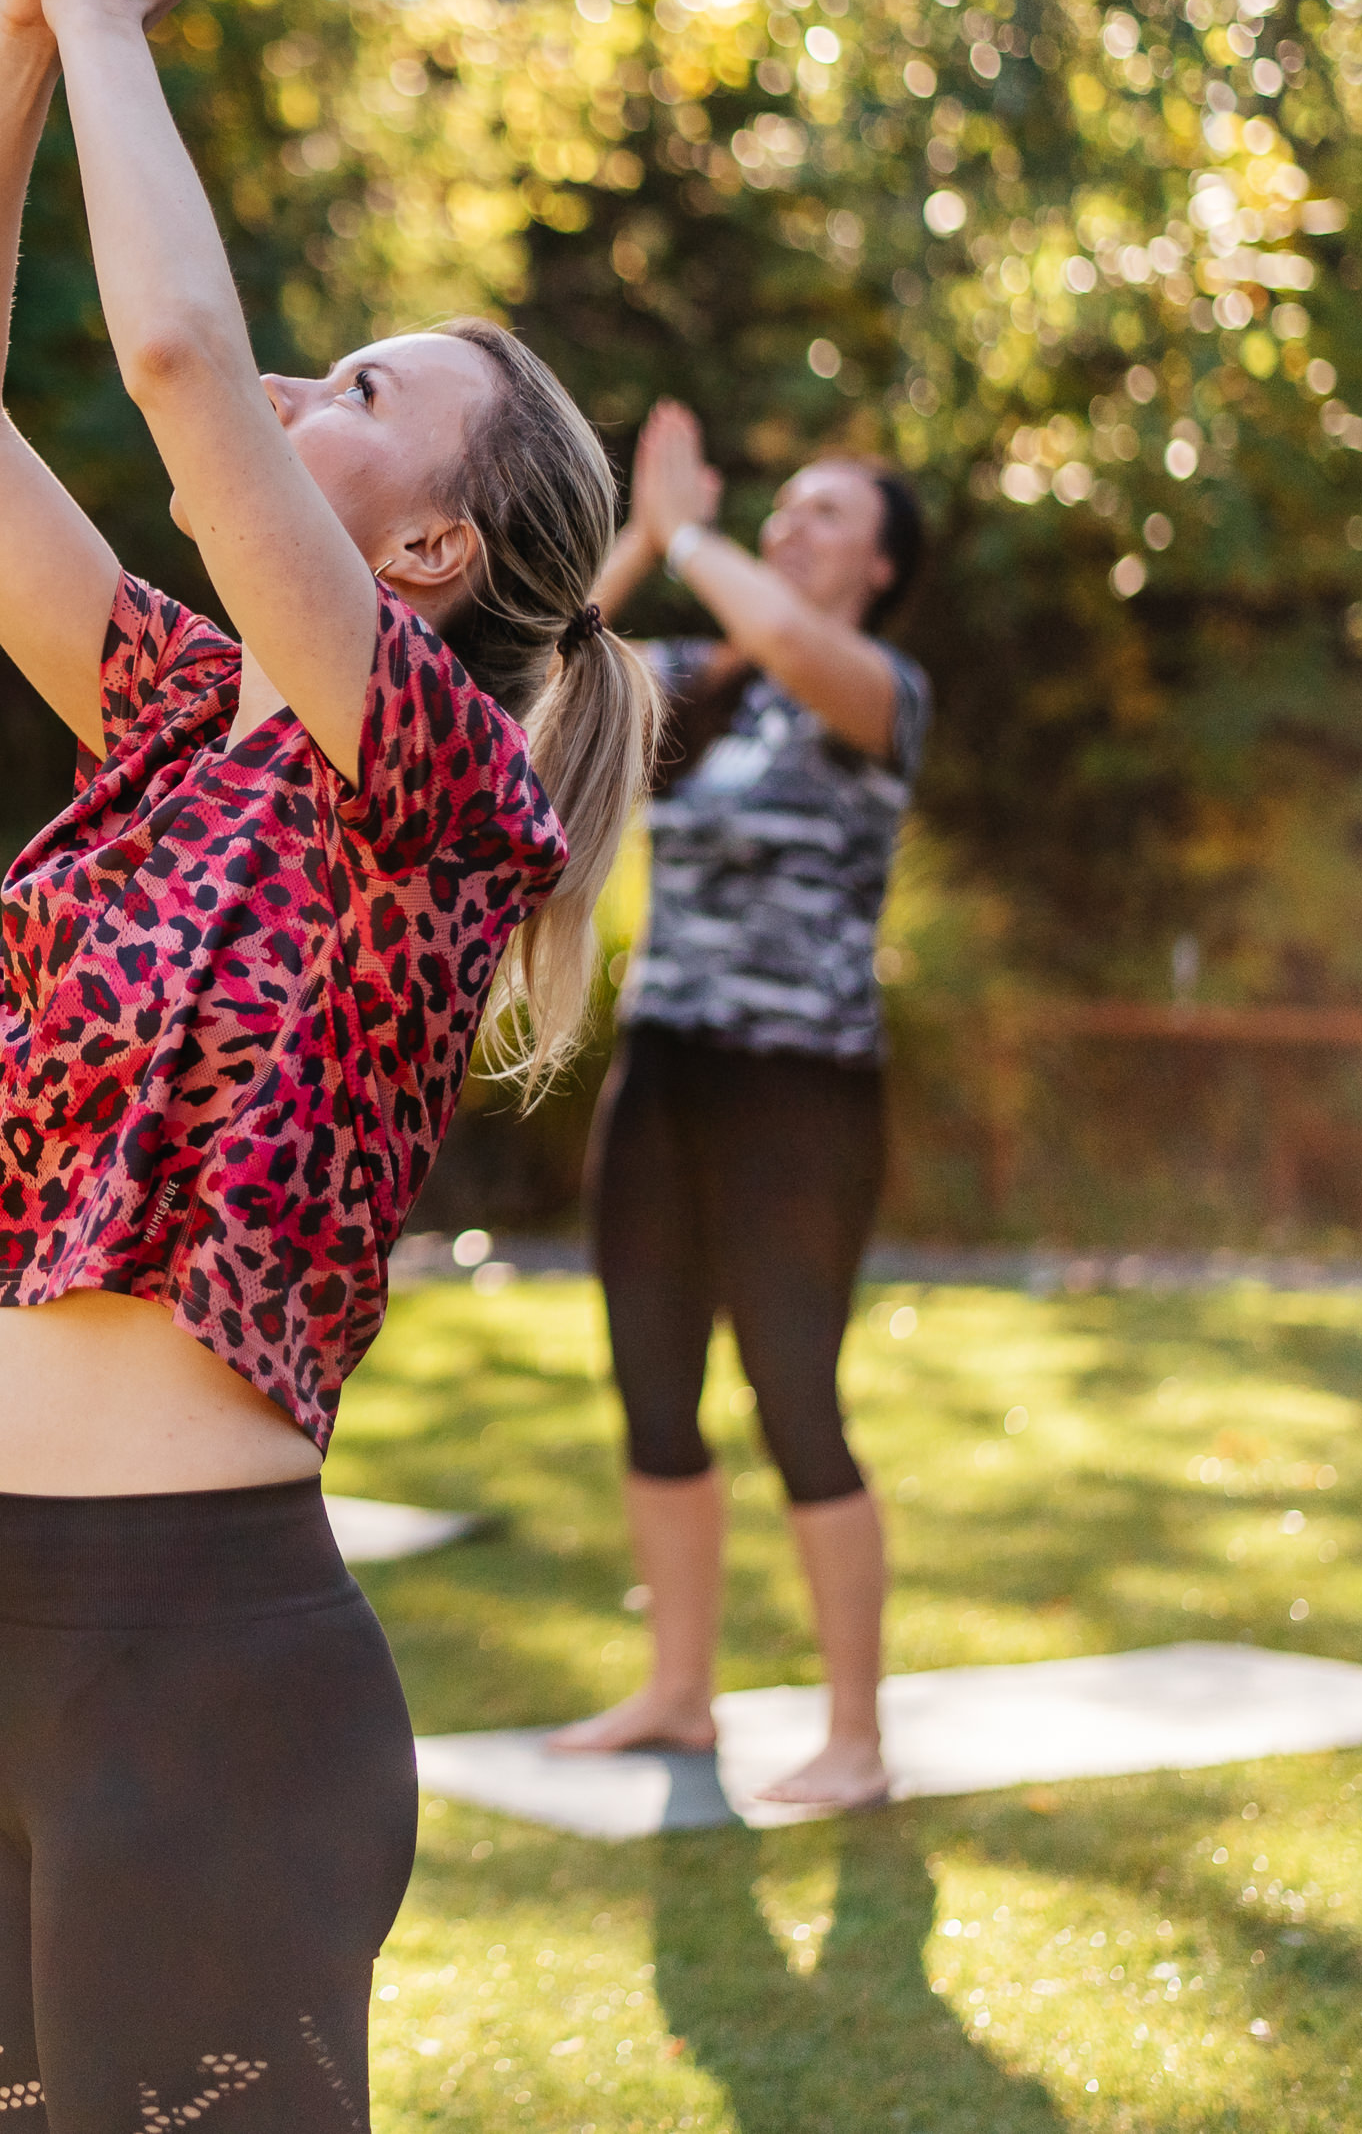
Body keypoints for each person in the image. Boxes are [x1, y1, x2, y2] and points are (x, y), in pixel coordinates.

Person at [0, 0, 653, 2130]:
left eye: (371, 391)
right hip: (3, 1645)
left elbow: (188, 373)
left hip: (205, 1673)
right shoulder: (171, 713)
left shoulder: (443, 795)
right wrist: (22, 29)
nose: (310, 379)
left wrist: (116, 21)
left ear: (427, 558)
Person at [544, 397, 930, 1811]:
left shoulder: (876, 690)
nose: (796, 523)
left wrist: (695, 537)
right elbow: (554, 668)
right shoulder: (699, 682)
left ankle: (856, 1738)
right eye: (790, 504)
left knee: (795, 1398)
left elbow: (790, 640)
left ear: (881, 565)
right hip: (667, 1072)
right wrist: (646, 539)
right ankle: (678, 1694)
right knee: (652, 1392)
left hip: (801, 1095)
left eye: (831, 511)